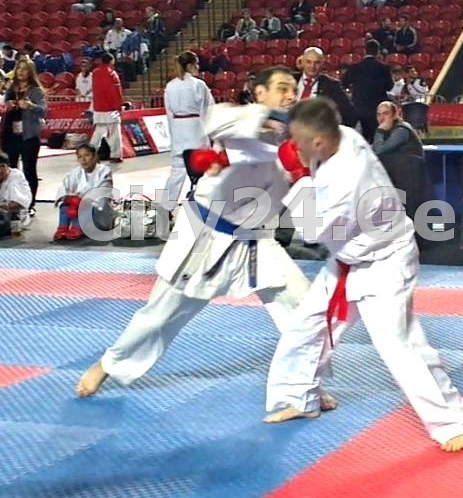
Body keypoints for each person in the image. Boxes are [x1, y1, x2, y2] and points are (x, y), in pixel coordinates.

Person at [75, 66, 316, 399]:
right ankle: (108, 364)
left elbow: (306, 202)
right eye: (282, 88)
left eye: (293, 89)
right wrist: (272, 119)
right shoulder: (237, 119)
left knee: (304, 306)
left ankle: (304, 382)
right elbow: (216, 121)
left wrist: (303, 169)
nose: (290, 95)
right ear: (260, 93)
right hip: (206, 237)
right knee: (162, 315)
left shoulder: (295, 143)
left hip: (256, 240)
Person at [264, 97, 463, 453]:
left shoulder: (347, 177)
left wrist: (299, 176)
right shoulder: (343, 135)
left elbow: (313, 231)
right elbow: (312, 123)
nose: (294, 148)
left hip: (385, 263)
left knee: (398, 344)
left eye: (298, 143)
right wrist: (273, 118)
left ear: (317, 142)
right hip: (349, 257)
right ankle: (299, 397)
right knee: (306, 325)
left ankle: (453, 420)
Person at [161, 51, 215, 211]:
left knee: (177, 172)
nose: (198, 67)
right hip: (196, 130)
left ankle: (165, 208)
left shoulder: (170, 86)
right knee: (205, 170)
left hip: (178, 130)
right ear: (190, 66)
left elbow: (169, 113)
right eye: (196, 64)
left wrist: (174, 134)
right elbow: (208, 109)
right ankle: (205, 205)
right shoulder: (198, 85)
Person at [1, 58, 47, 218]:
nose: (21, 71)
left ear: (30, 72)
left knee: (29, 170)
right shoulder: (10, 88)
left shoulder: (36, 91)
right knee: (9, 170)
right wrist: (7, 106)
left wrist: (30, 106)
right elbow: (3, 106)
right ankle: (10, 203)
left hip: (29, 136)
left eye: (24, 68)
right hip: (10, 135)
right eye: (19, 68)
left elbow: (44, 111)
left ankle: (30, 204)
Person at [53, 144, 114, 241]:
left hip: (97, 212)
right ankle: (62, 228)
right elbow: (64, 187)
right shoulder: (75, 172)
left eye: (87, 155)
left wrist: (82, 201)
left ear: (94, 156)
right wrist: (68, 198)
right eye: (80, 157)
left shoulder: (104, 171)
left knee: (87, 207)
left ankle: (78, 228)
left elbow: (102, 193)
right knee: (64, 205)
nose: (83, 160)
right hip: (77, 207)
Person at [90, 53, 124, 164]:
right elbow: (116, 92)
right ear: (111, 61)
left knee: (98, 133)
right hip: (111, 109)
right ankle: (116, 155)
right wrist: (119, 107)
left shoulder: (95, 73)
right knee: (114, 133)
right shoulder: (112, 74)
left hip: (98, 108)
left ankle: (90, 153)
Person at [0, 150, 32, 236]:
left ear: (8, 166)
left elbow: (18, 204)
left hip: (13, 215)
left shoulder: (16, 176)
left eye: (2, 166)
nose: (0, 170)